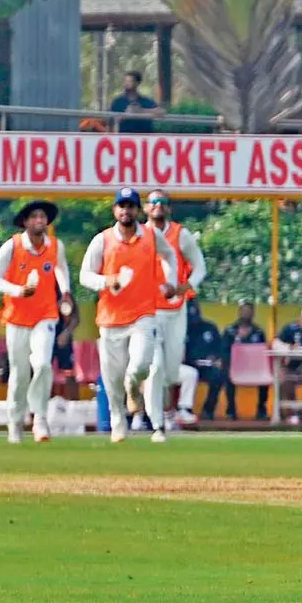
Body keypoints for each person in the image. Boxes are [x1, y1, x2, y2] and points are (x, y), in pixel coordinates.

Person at [79, 187, 178, 443]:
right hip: (110, 319)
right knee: (111, 380)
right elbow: (85, 276)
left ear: (137, 210)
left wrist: (170, 281)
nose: (126, 210)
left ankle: (133, 385)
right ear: (115, 210)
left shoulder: (151, 235)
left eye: (131, 206)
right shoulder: (102, 239)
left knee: (141, 365)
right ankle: (117, 422)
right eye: (121, 206)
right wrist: (107, 281)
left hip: (143, 314)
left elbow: (170, 256)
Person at [0, 200, 73, 443]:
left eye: (43, 217)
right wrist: (18, 291)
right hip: (17, 318)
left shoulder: (55, 246)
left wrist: (65, 291)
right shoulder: (12, 246)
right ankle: (15, 424)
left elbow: (61, 269)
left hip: (46, 315)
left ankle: (40, 418)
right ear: (25, 221)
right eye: (34, 216)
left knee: (44, 364)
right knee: (20, 373)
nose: (39, 221)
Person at [140, 189, 206, 433]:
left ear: (169, 208)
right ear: (146, 208)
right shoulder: (138, 234)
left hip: (176, 309)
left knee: (169, 371)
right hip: (147, 311)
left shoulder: (180, 234)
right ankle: (153, 421)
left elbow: (199, 266)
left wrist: (186, 286)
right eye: (153, 202)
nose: (158, 205)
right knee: (153, 366)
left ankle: (165, 414)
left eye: (163, 202)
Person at [223, 301, 269, 420]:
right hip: (235, 368)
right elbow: (224, 351)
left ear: (253, 314)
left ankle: (261, 409)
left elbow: (264, 352)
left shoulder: (259, 332)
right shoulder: (230, 331)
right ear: (239, 312)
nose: (246, 314)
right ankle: (231, 410)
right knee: (226, 374)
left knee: (266, 377)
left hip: (255, 368)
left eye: (249, 312)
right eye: (244, 311)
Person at [179, 300, 224, 422]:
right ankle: (183, 409)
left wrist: (215, 358)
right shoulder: (180, 329)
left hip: (206, 366)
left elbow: (219, 349)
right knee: (188, 373)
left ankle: (208, 411)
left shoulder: (210, 327)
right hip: (188, 364)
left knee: (218, 376)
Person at [52, 289, 81, 401]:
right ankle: (38, 410)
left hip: (62, 337)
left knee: (69, 372)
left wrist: (66, 333)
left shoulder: (63, 290)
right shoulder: (35, 287)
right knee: (40, 371)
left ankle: (74, 406)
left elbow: (75, 318)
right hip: (43, 336)